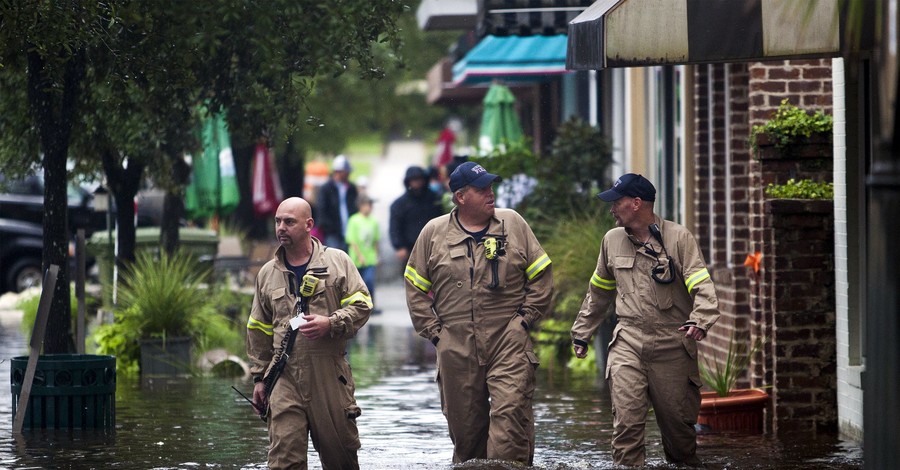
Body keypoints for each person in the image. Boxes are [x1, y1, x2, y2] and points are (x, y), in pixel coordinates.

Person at [404, 162, 553, 465]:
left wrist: (524, 320)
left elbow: (542, 276)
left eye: (491, 186)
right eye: (482, 188)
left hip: (508, 340)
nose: (491, 193)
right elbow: (415, 289)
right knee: (467, 439)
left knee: (510, 425)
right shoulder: (433, 233)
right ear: (460, 197)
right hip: (456, 345)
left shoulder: (513, 224)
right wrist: (436, 334)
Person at [570, 173, 720, 467]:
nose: (612, 209)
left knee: (680, 439)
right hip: (628, 340)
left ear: (636, 203)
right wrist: (582, 332)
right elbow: (598, 291)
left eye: (617, 202)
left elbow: (702, 286)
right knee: (626, 427)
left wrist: (700, 319)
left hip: (673, 344)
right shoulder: (611, 240)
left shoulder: (679, 238)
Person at [246, 197, 372, 470]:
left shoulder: (338, 261)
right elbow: (258, 327)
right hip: (284, 377)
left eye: (289, 222)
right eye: (278, 221)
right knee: (284, 461)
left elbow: (363, 305)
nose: (281, 227)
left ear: (309, 225)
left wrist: (332, 322)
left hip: (329, 375)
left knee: (340, 460)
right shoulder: (267, 274)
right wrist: (258, 378)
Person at [389, 165, 444, 267]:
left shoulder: (434, 199)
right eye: (414, 179)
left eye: (419, 178)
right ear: (408, 181)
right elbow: (395, 227)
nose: (417, 182)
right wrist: (399, 246)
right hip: (410, 250)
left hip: (434, 248)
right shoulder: (399, 204)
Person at [315, 155, 358, 252]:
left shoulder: (351, 188)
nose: (348, 174)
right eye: (346, 172)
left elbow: (355, 207)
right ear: (338, 172)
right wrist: (328, 227)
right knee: (334, 258)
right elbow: (321, 210)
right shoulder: (326, 189)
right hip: (332, 233)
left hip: (349, 232)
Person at [345, 194, 380, 310]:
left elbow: (376, 240)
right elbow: (352, 240)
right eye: (366, 205)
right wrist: (359, 256)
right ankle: (359, 305)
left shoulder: (373, 221)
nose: (369, 208)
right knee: (357, 284)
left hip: (369, 257)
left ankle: (371, 304)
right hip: (357, 258)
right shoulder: (354, 220)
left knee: (369, 281)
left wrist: (376, 255)